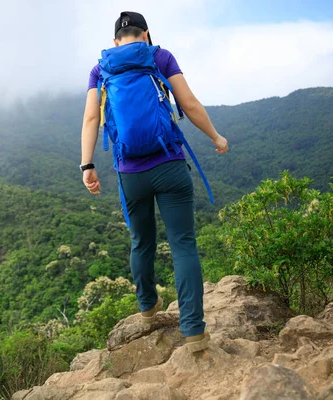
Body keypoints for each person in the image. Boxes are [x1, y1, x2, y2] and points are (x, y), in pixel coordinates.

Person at [80, 11, 228, 353]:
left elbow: (91, 117)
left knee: (141, 242)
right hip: (170, 165)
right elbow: (188, 104)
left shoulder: (100, 69)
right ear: (145, 34)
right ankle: (193, 331)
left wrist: (88, 165)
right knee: (183, 245)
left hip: (130, 172)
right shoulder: (160, 56)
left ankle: (147, 310)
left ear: (116, 41)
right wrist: (216, 137)